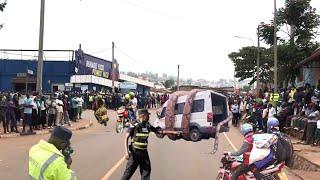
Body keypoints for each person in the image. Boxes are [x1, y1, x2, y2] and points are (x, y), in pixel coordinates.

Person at [121, 109, 161, 180]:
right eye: (147, 115)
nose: (149, 117)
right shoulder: (134, 124)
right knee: (128, 173)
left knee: (146, 172)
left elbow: (157, 131)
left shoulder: (147, 125)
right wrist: (126, 152)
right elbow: (126, 138)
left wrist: (171, 132)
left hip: (144, 153)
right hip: (135, 153)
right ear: (143, 116)